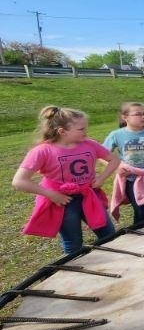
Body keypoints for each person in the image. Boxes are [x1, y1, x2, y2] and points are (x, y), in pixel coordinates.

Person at [12, 106, 119, 254]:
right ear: (62, 131)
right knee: (73, 243)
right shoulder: (42, 151)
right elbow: (19, 181)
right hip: (63, 202)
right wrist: (51, 195)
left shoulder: (89, 144)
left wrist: (101, 178)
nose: (86, 132)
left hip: (89, 197)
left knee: (109, 235)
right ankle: (75, 266)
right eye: (81, 129)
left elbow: (114, 160)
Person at [103, 102, 144, 225]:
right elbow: (102, 155)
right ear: (125, 117)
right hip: (132, 180)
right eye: (138, 114)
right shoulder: (116, 135)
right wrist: (117, 168)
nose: (143, 117)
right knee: (140, 212)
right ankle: (140, 231)